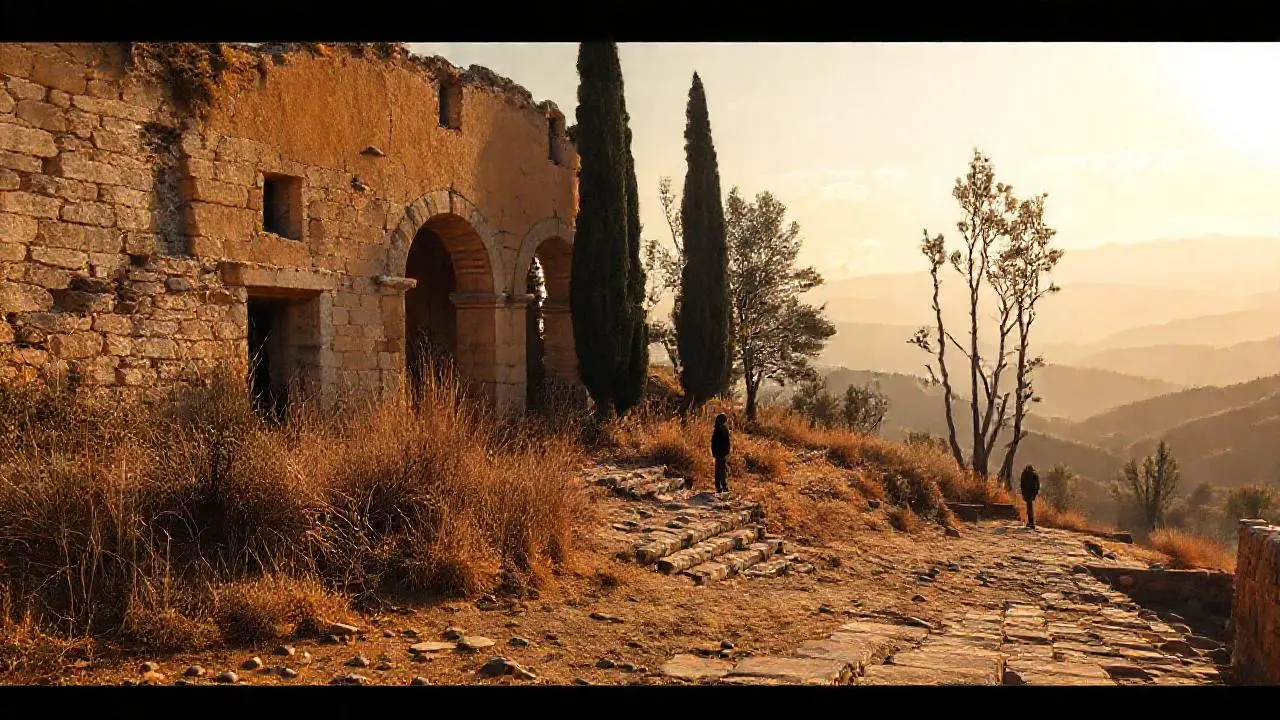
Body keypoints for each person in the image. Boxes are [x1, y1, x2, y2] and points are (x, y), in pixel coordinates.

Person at [711, 413, 731, 494]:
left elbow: (713, 442)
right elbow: (725, 442)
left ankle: (719, 486)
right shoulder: (722, 429)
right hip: (720, 453)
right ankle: (722, 486)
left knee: (719, 470)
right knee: (721, 470)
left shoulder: (720, 429)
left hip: (720, 453)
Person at [1020, 464, 1040, 530]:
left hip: (1027, 493)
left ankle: (1030, 523)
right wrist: (1035, 493)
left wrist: (1023, 493)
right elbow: (1038, 485)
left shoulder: (1024, 474)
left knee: (1029, 508)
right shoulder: (1034, 474)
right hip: (1032, 493)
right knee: (1030, 507)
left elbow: (1022, 484)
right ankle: (1030, 523)